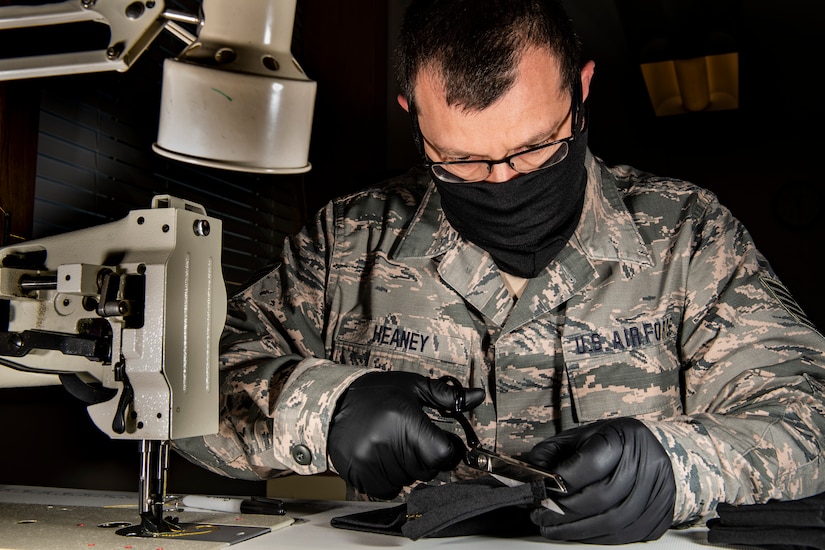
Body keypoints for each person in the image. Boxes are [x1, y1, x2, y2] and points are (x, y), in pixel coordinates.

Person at [174, 0, 825, 544]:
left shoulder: (690, 234)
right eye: (459, 159)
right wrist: (323, 411)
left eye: (534, 147)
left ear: (582, 86)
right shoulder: (350, 240)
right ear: (412, 114)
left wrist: (680, 466)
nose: (502, 181)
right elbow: (186, 390)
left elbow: (808, 413)